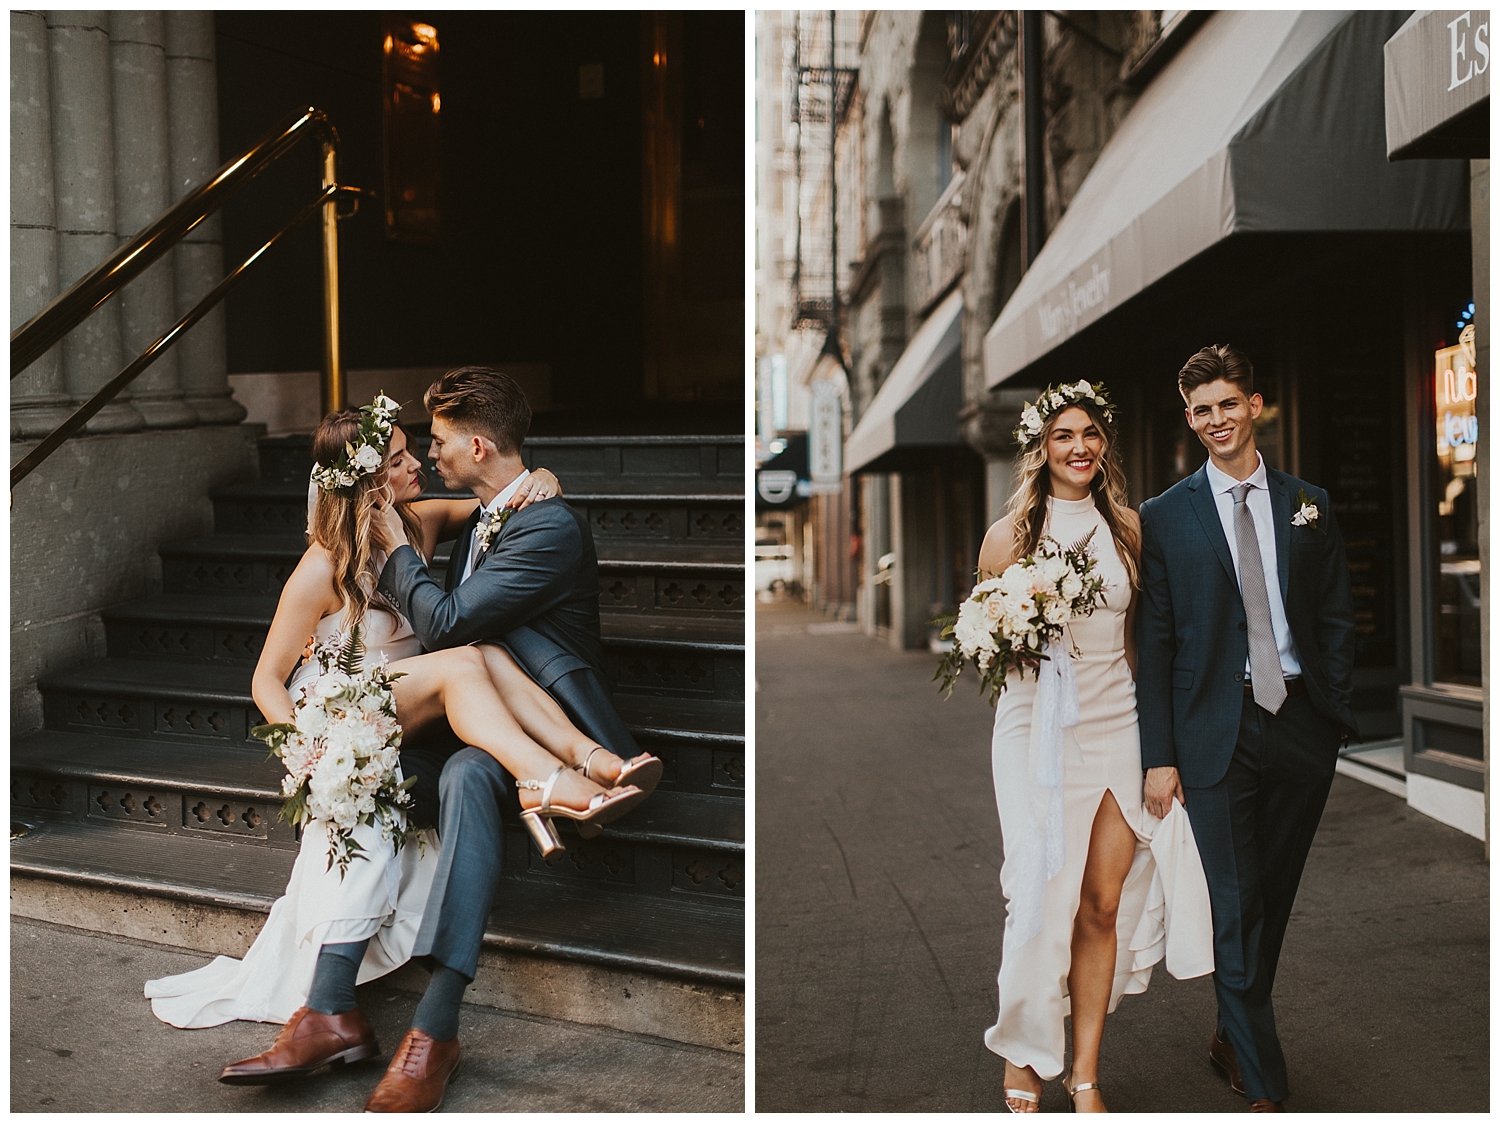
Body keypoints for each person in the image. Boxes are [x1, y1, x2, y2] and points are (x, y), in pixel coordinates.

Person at [145, 395, 655, 1106]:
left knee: (467, 664)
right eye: (399, 459)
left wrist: (548, 479)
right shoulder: (321, 568)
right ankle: (553, 774)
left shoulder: (421, 522)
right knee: (461, 660)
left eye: (421, 449)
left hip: (417, 719)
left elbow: (496, 510)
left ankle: (376, 1017)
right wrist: (305, 752)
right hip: (349, 717)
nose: (420, 464)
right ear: (368, 483)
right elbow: (265, 678)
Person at [347, 365, 656, 1112]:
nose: (431, 453)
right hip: (479, 708)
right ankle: (329, 991)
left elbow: (449, 624)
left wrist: (394, 557)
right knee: (363, 775)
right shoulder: (493, 506)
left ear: (479, 444)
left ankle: (435, 1026)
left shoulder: (549, 525)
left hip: (547, 715)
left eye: (442, 440)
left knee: (462, 778)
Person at [979, 381, 1212, 1113]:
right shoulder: (1008, 536)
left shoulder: (1129, 530)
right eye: (1062, 435)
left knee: (1101, 905)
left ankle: (1083, 1074)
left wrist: (1160, 748)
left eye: (1090, 433)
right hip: (1034, 728)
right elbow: (989, 646)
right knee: (1035, 895)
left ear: (1103, 443)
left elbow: (1144, 641)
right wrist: (1020, 629)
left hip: (1117, 724)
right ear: (1040, 447)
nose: (1079, 447)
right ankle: (1022, 1052)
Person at [1136, 346, 1356, 1112]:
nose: (1216, 420)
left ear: (1255, 404)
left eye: (1227, 404)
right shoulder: (1164, 516)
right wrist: (1157, 756)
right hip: (1211, 734)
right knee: (1236, 904)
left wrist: (1333, 717)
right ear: (1190, 419)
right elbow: (1157, 643)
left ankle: (1234, 1027)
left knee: (1274, 897)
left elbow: (1333, 616)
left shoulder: (1310, 502)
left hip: (1300, 727)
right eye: (1201, 410)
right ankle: (1265, 1087)